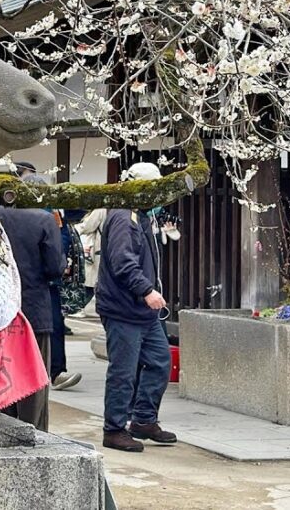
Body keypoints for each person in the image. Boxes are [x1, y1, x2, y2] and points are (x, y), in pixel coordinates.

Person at [96, 161, 176, 452]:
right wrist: (146, 290)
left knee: (159, 362)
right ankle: (114, 428)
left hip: (143, 312)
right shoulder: (123, 217)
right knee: (124, 371)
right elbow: (122, 262)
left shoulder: (140, 216)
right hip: (124, 309)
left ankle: (143, 419)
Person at [0, 205, 66, 430]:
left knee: (3, 371)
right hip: (35, 308)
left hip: (0, 308)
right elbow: (55, 267)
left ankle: (2, 425)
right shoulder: (44, 220)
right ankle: (33, 428)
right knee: (34, 376)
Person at [75, 208, 107, 318]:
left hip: (96, 249)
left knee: (91, 283)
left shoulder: (100, 210)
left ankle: (78, 307)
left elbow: (88, 226)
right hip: (101, 249)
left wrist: (73, 230)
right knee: (95, 283)